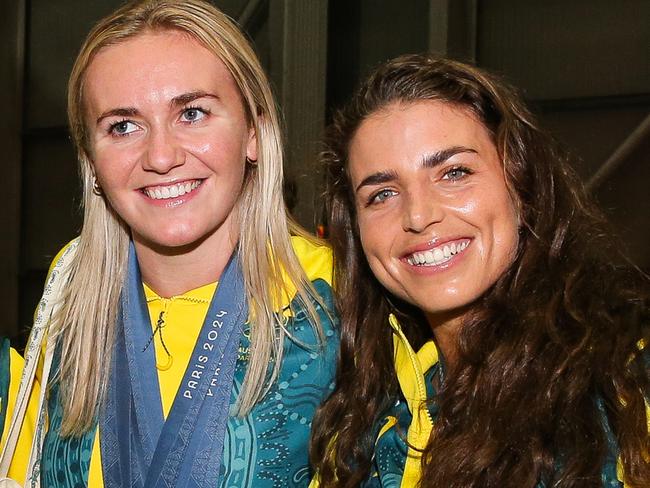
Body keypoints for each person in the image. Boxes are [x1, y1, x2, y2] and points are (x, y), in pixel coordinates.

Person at [6, 1, 338, 486]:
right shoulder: (67, 299)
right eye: (123, 126)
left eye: (193, 113)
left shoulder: (341, 299)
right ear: (91, 162)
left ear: (254, 133)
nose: (160, 157)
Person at [310, 54, 649, 487]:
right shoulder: (369, 418)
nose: (418, 215)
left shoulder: (626, 385)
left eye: (454, 173)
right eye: (382, 194)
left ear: (521, 186)